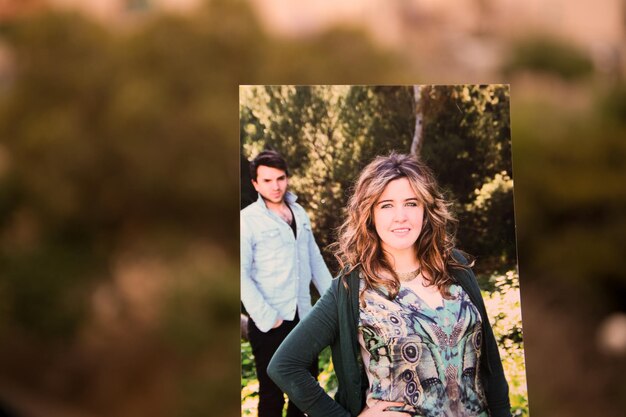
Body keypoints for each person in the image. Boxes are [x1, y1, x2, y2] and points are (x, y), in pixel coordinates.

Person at [268, 153, 511, 417]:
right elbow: (285, 365)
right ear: (369, 214)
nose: (400, 216)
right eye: (386, 205)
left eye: (411, 203)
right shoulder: (351, 287)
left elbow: (492, 369)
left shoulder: (455, 267)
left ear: (425, 209)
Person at [241, 150, 333, 417]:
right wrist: (268, 318)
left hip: (304, 319)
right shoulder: (247, 220)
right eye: (267, 180)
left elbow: (314, 259)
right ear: (256, 184)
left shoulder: (299, 212)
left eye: (280, 178)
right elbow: (240, 274)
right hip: (270, 321)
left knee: (304, 394)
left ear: (287, 178)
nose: (276, 186)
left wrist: (333, 301)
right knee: (271, 396)